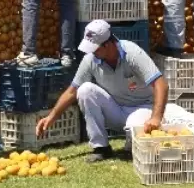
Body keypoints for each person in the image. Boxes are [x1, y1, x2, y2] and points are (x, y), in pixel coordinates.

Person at [35, 20, 168, 162]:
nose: (91, 51)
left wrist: (156, 117)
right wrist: (51, 117)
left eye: (95, 48)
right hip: (116, 110)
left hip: (142, 110)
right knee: (85, 90)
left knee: (134, 129)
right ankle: (101, 148)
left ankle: (133, 142)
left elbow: (161, 84)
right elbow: (72, 92)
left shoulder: (133, 53)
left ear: (108, 44)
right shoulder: (90, 59)